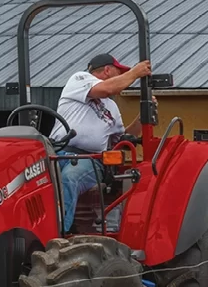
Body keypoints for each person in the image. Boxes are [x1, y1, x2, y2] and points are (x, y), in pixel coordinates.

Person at [49, 53, 153, 232]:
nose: (122, 78)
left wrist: (144, 115)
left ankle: (57, 234)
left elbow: (122, 138)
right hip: (57, 152)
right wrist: (135, 73)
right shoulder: (80, 79)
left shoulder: (112, 107)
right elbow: (106, 89)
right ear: (107, 70)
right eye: (119, 73)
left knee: (69, 178)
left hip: (89, 159)